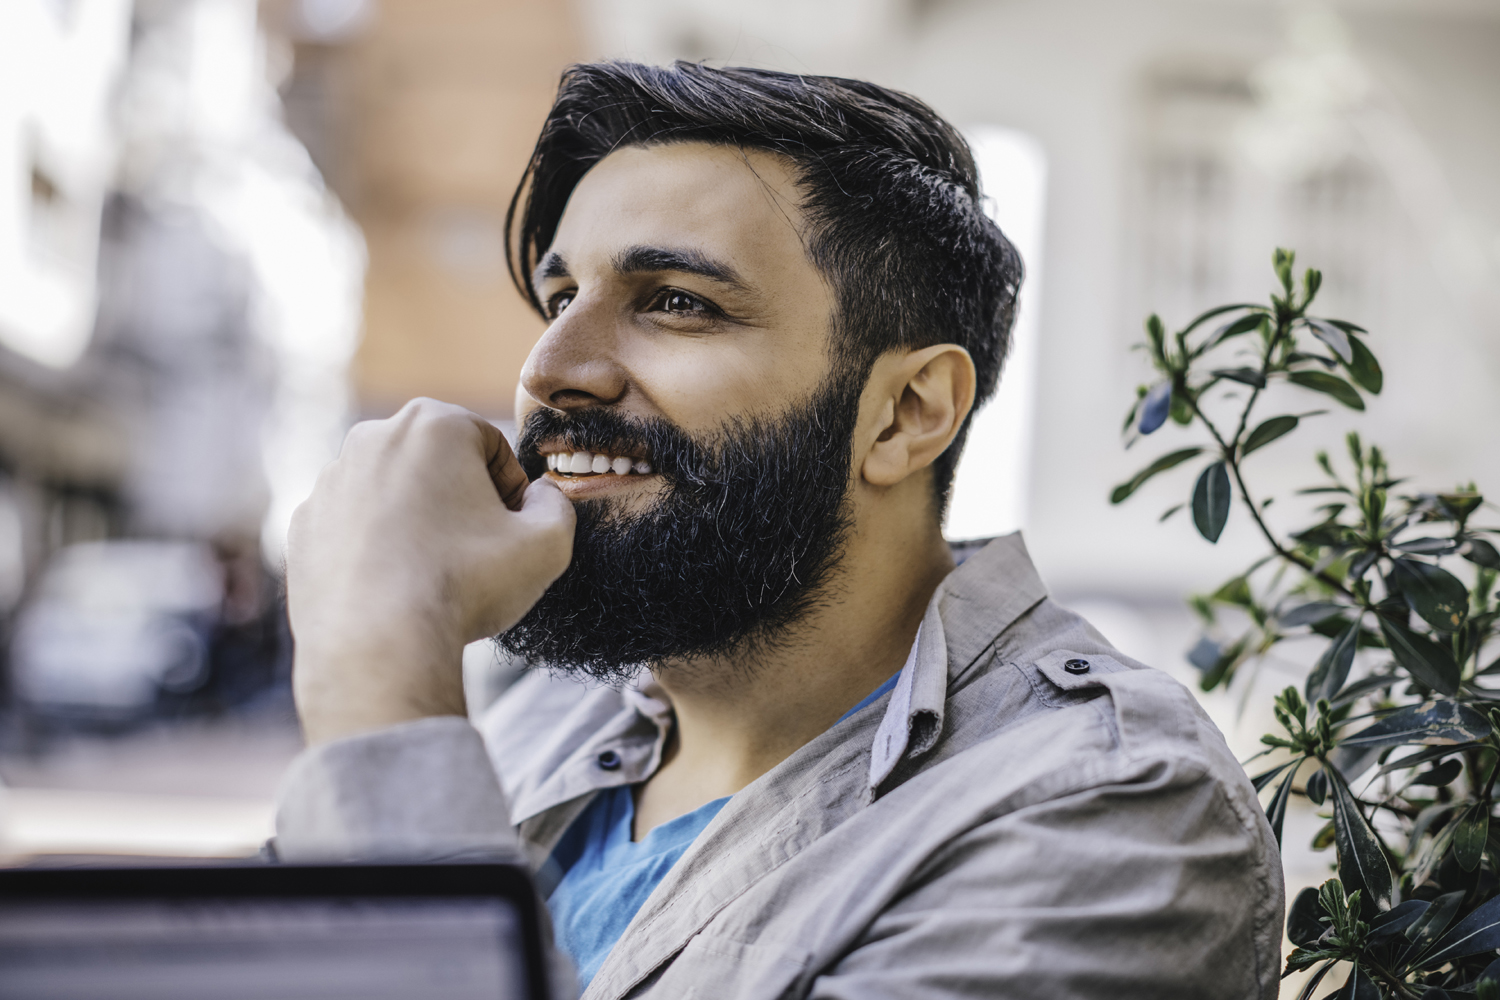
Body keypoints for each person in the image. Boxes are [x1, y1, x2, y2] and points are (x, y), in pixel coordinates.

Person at [274, 62, 1284, 999]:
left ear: (906, 411)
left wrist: (382, 676)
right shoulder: (540, 726)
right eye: (560, 295)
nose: (549, 367)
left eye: (674, 301)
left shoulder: (1111, 809)